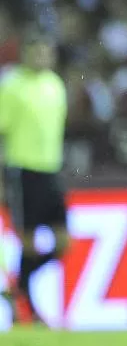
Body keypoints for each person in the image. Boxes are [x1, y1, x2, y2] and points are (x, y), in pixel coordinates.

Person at [0, 29, 69, 325]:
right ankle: (27, 306)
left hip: (51, 170)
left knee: (65, 243)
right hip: (22, 171)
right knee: (27, 242)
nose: (41, 56)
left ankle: (18, 289)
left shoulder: (55, 85)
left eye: (46, 51)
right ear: (25, 54)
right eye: (36, 51)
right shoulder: (12, 85)